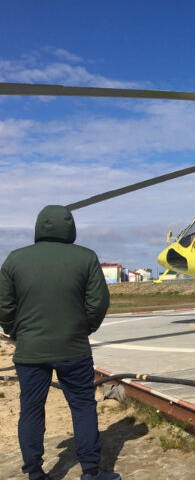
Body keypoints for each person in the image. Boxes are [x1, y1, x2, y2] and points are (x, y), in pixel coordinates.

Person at [0, 205, 120, 480]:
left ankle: (34, 472)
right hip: (74, 349)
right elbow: (99, 302)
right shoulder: (86, 258)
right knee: (82, 406)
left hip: (30, 351)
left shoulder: (15, 260)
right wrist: (84, 328)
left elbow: (4, 306)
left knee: (30, 409)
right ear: (70, 228)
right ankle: (91, 471)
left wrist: (14, 331)